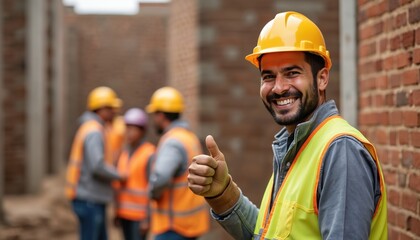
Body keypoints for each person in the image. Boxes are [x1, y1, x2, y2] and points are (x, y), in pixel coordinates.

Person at [187, 11, 388, 240]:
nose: (279, 88)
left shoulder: (339, 150)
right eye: (268, 76)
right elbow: (268, 234)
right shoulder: (296, 147)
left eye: (292, 73)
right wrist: (223, 194)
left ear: (322, 78)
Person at [146, 87, 210, 240]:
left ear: (161, 116)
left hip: (173, 227)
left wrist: (152, 193)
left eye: (155, 114)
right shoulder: (189, 137)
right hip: (191, 223)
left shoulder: (172, 142)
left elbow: (161, 177)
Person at [65, 86, 127, 240]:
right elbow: (97, 166)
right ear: (102, 109)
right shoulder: (94, 131)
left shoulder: (92, 127)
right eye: (112, 108)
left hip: (90, 197)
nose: (114, 112)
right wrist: (120, 176)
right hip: (89, 198)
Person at [114, 108, 156, 240]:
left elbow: (152, 187)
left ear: (142, 131)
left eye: (134, 129)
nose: (129, 132)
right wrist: (116, 212)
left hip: (139, 217)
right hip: (124, 214)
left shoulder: (149, 153)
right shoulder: (124, 153)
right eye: (127, 128)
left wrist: (147, 218)